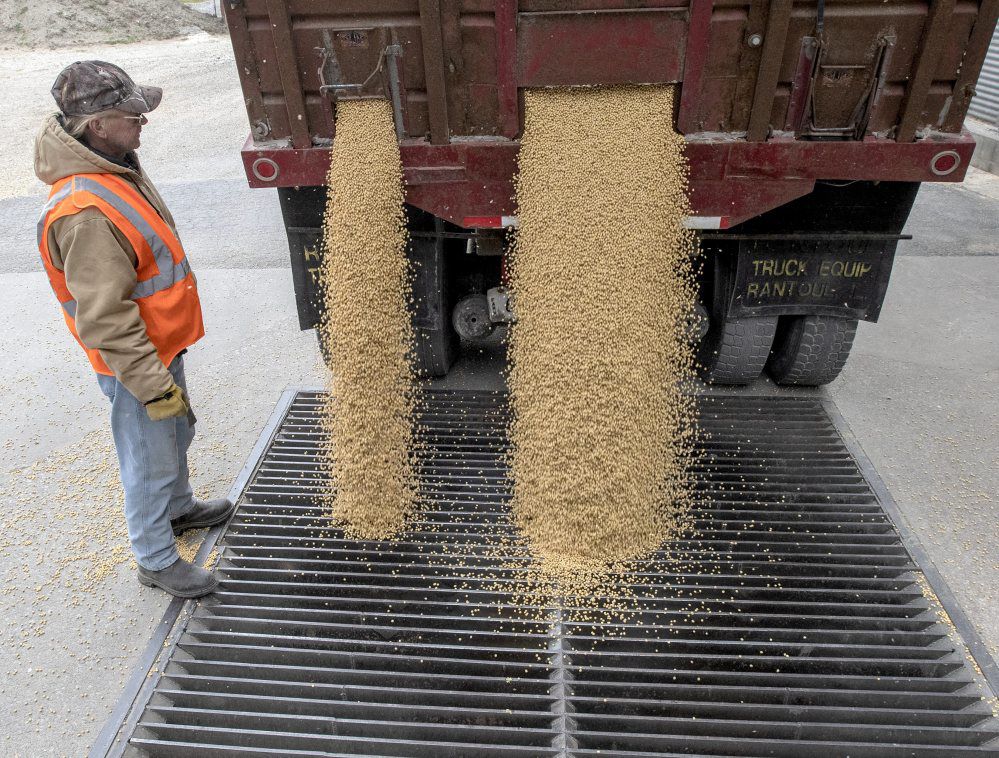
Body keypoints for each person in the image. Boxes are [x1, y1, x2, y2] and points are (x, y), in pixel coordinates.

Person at [34, 61, 234, 598]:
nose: (144, 122)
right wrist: (150, 383)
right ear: (96, 123)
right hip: (134, 363)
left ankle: (179, 509)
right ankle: (155, 558)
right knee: (149, 457)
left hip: (161, 346)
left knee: (175, 435)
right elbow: (107, 319)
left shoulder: (115, 167)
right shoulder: (84, 209)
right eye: (133, 115)